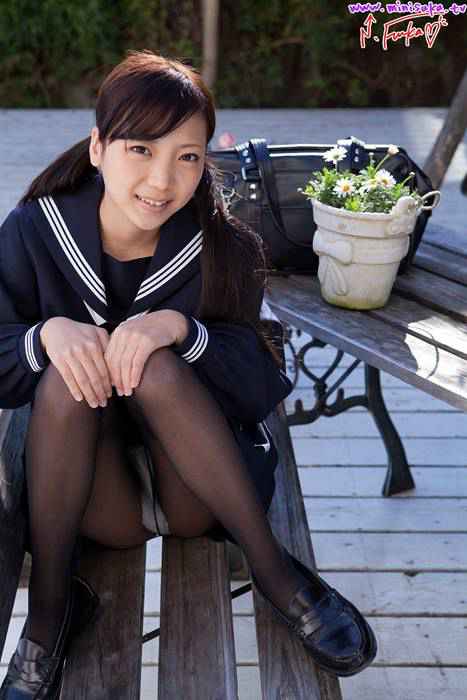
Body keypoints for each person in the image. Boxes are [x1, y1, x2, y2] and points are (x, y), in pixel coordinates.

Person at [0, 50, 376, 697]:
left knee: (153, 364)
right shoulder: (36, 232)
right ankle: (50, 614)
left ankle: (275, 573)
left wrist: (182, 330)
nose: (162, 179)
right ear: (98, 148)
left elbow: (261, 386)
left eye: (187, 156)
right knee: (66, 372)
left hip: (200, 491)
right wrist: (44, 336)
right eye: (140, 149)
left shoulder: (223, 246)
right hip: (96, 501)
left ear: (205, 162)